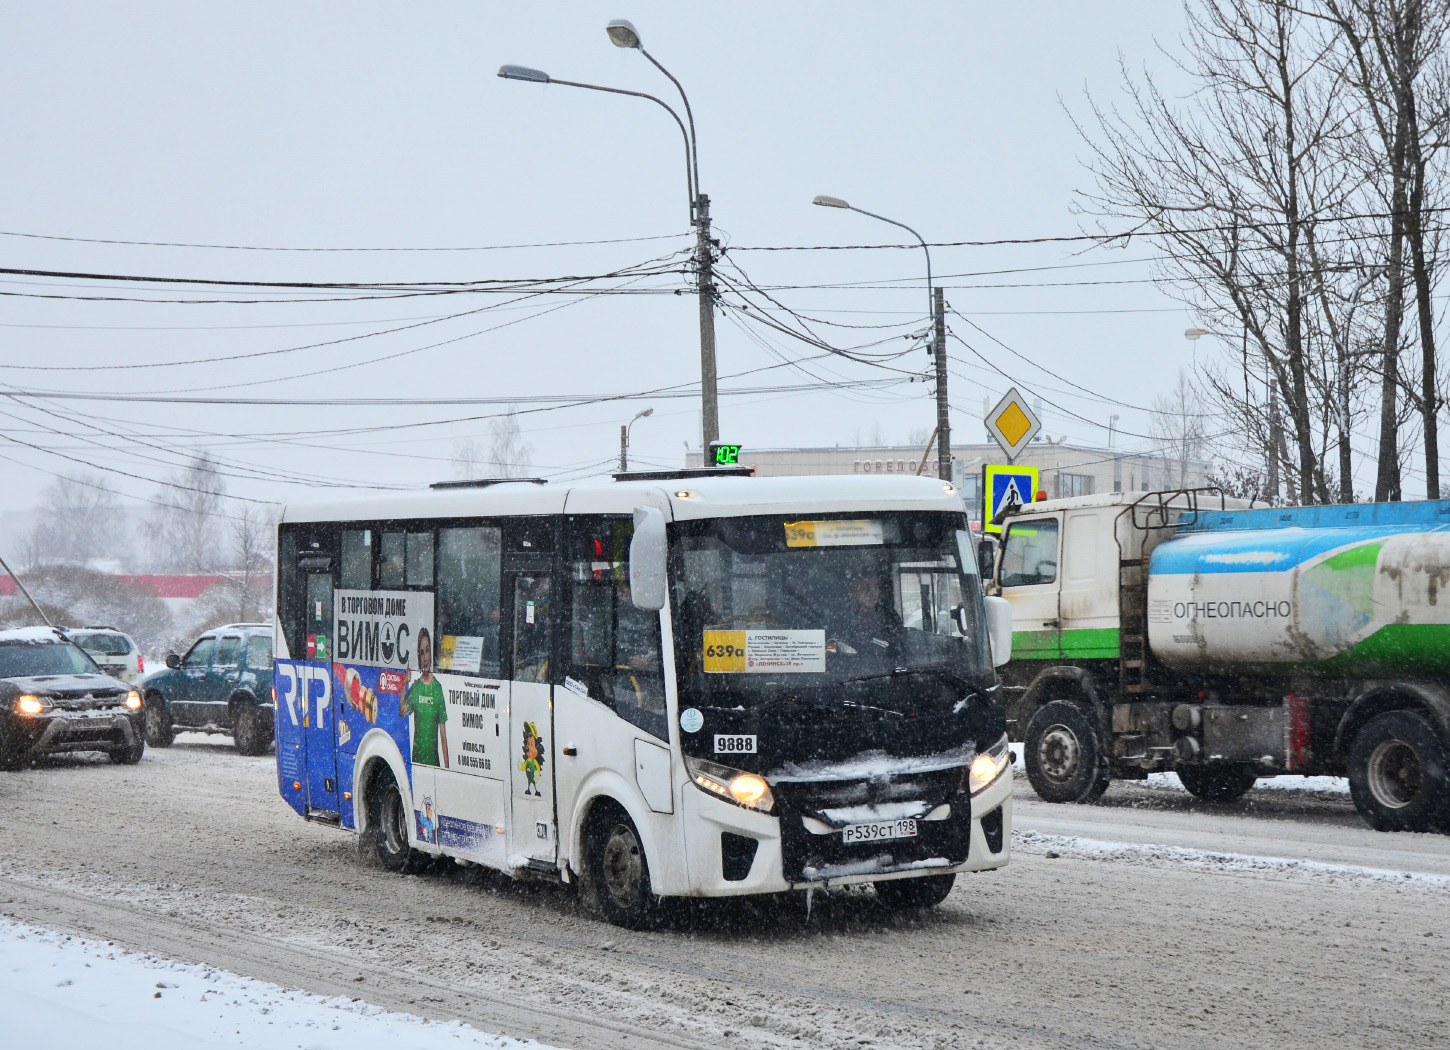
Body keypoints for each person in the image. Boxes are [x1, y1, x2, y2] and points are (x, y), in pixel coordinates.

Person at [399, 627, 449, 768]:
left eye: (427, 651)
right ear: (419, 658)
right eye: (421, 653)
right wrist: (404, 684)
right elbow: (402, 711)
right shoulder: (416, 688)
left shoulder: (437, 689)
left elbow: (443, 737)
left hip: (433, 763)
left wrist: (447, 769)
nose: (425, 658)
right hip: (417, 763)